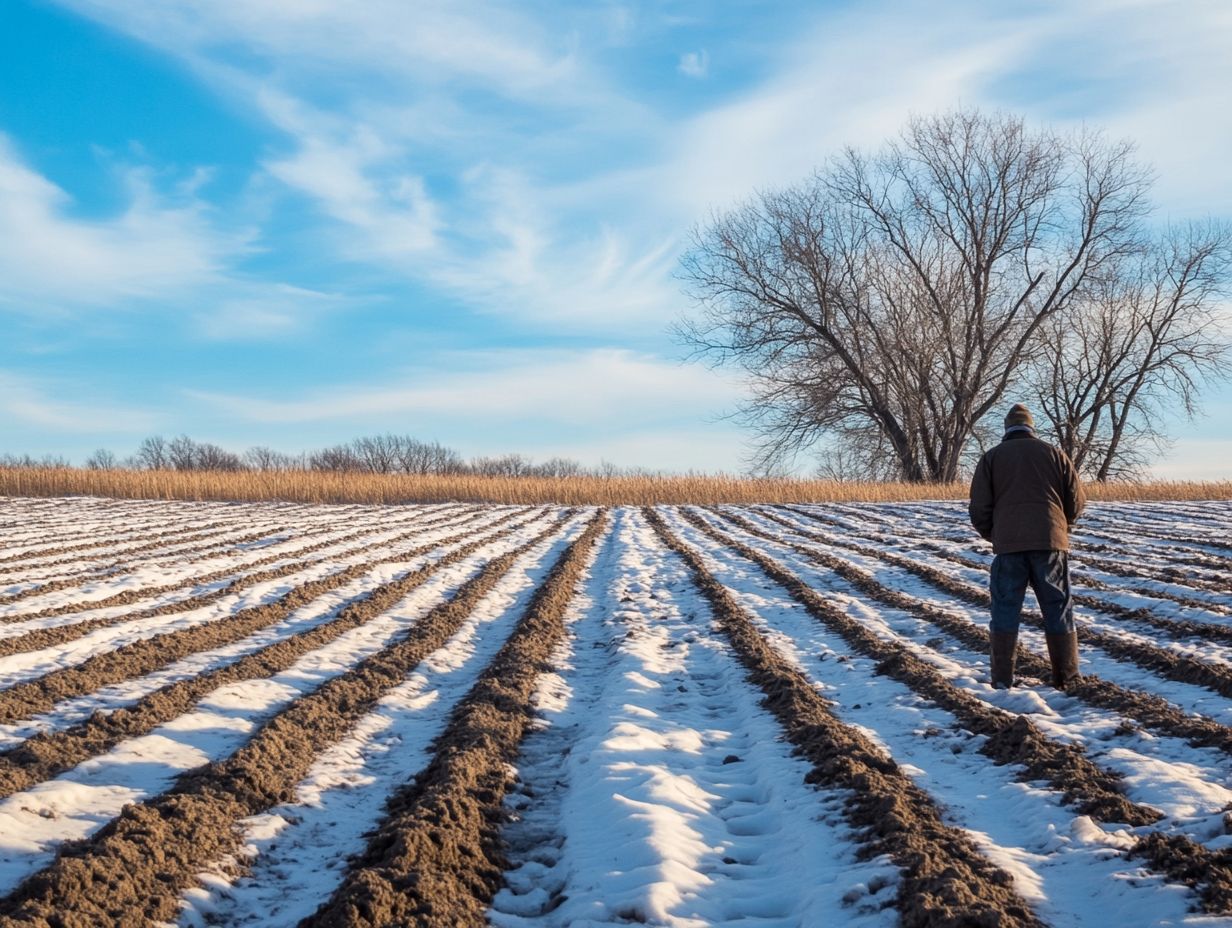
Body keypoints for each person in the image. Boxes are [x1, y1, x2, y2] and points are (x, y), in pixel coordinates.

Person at [968, 403, 1086, 690]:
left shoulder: (992, 458)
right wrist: (1062, 528)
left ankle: (1002, 679)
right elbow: (1077, 501)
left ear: (1007, 429)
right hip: (1050, 542)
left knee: (1005, 609)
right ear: (1032, 427)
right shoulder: (1055, 454)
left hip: (1008, 547)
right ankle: (1067, 679)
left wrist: (995, 534)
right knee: (1057, 606)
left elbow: (979, 507)